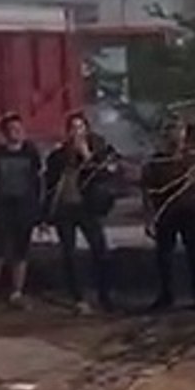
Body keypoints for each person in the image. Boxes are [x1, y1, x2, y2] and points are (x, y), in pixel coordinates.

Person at [45, 113, 116, 314]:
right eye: (72, 128)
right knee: (69, 253)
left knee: (99, 250)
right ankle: (78, 297)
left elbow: (105, 175)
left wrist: (86, 155)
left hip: (88, 207)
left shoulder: (99, 149)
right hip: (65, 208)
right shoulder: (58, 155)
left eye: (80, 127)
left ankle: (105, 295)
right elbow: (50, 184)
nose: (76, 132)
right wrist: (45, 214)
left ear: (87, 129)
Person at [0, 114, 44, 318]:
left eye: (19, 128)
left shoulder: (31, 153)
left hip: (24, 210)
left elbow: (40, 181)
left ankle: (16, 293)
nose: (17, 132)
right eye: (13, 129)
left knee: (21, 254)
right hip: (2, 210)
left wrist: (38, 211)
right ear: (5, 133)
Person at [142, 119, 195, 311]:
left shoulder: (194, 158)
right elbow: (148, 190)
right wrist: (149, 217)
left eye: (179, 130)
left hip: (191, 213)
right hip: (166, 215)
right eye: (171, 130)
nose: (176, 135)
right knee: (164, 258)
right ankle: (167, 295)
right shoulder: (157, 161)